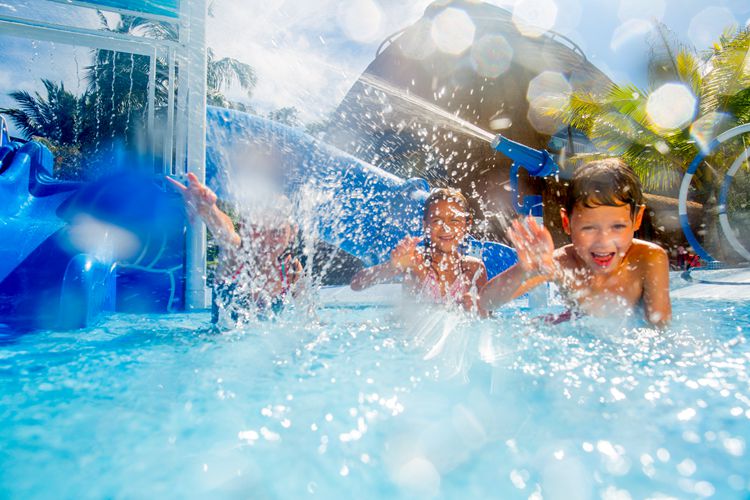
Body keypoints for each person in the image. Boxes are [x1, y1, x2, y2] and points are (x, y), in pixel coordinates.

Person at [479, 158, 672, 327]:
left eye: (618, 226)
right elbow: (487, 302)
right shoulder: (561, 264)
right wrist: (524, 270)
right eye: (589, 228)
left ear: (637, 219)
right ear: (567, 222)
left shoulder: (649, 259)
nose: (603, 241)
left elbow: (659, 327)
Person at [167, 172, 303, 322]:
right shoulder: (234, 258)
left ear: (292, 233)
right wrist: (209, 210)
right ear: (244, 228)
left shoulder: (291, 270)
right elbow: (226, 233)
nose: (267, 239)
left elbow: (309, 318)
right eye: (258, 229)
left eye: (277, 232)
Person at [350, 187, 488, 315]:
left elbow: (487, 315)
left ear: (467, 224)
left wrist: (477, 308)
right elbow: (357, 283)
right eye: (437, 221)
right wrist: (393, 266)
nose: (446, 228)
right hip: (409, 331)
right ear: (425, 225)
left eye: (454, 220)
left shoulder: (474, 268)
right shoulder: (416, 261)